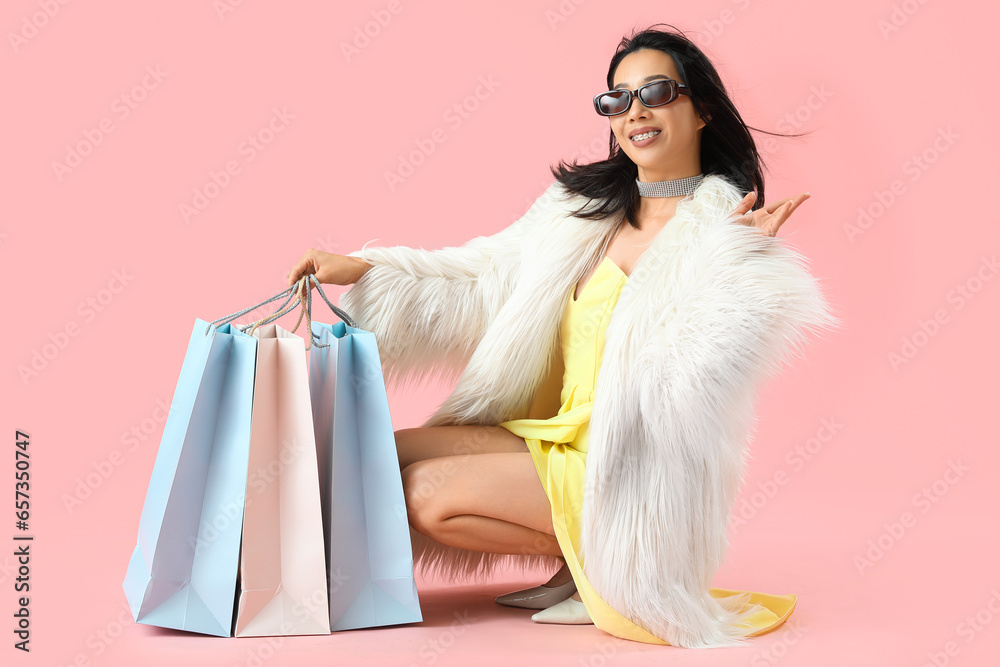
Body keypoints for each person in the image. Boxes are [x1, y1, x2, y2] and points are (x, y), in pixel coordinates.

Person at [286, 24, 837, 648]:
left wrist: (737, 266)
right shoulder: (580, 210)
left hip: (628, 468)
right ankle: (571, 563)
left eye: (656, 91)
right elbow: (483, 273)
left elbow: (694, 381)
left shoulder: (725, 230)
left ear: (702, 108)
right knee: (380, 454)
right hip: (550, 437)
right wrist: (368, 270)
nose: (636, 112)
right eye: (617, 99)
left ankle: (603, 565)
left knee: (426, 495)